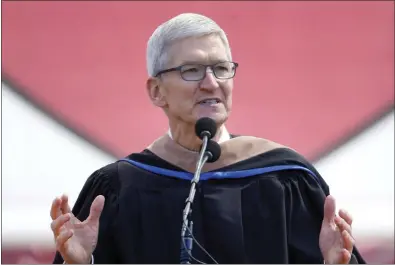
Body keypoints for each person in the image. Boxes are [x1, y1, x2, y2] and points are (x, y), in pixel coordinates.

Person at [51, 13, 366, 264]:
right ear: (156, 91)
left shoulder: (286, 178)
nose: (211, 83)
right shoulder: (118, 190)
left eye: (221, 68)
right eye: (192, 70)